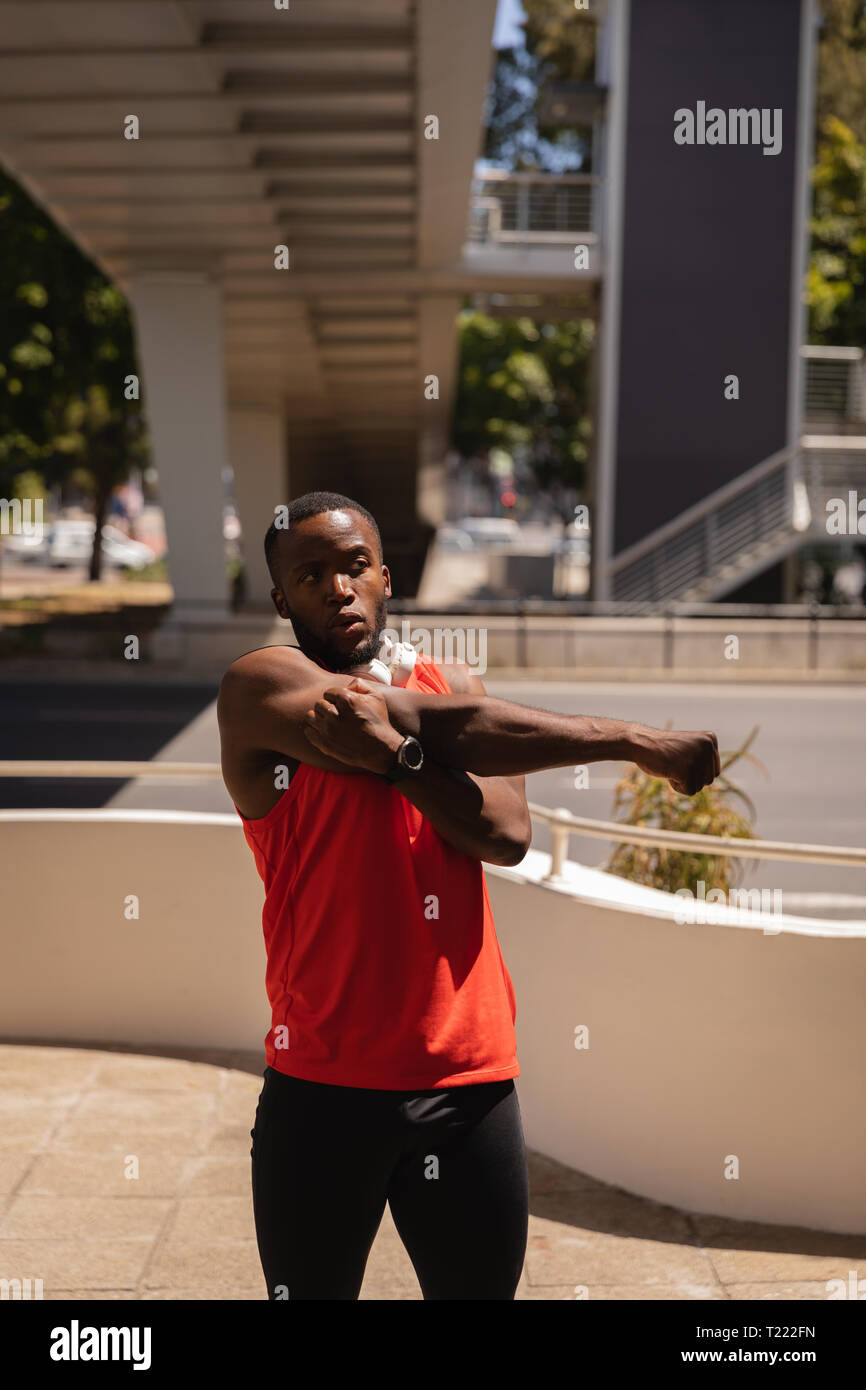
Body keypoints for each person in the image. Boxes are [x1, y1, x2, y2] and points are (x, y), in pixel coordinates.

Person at [217, 491, 720, 1301]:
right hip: (321, 1084)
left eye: (355, 566)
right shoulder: (260, 687)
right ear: (282, 600)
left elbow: (505, 835)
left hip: (466, 1083)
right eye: (310, 576)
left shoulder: (456, 682)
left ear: (385, 577)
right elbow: (436, 724)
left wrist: (398, 762)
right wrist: (632, 739)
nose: (338, 589)